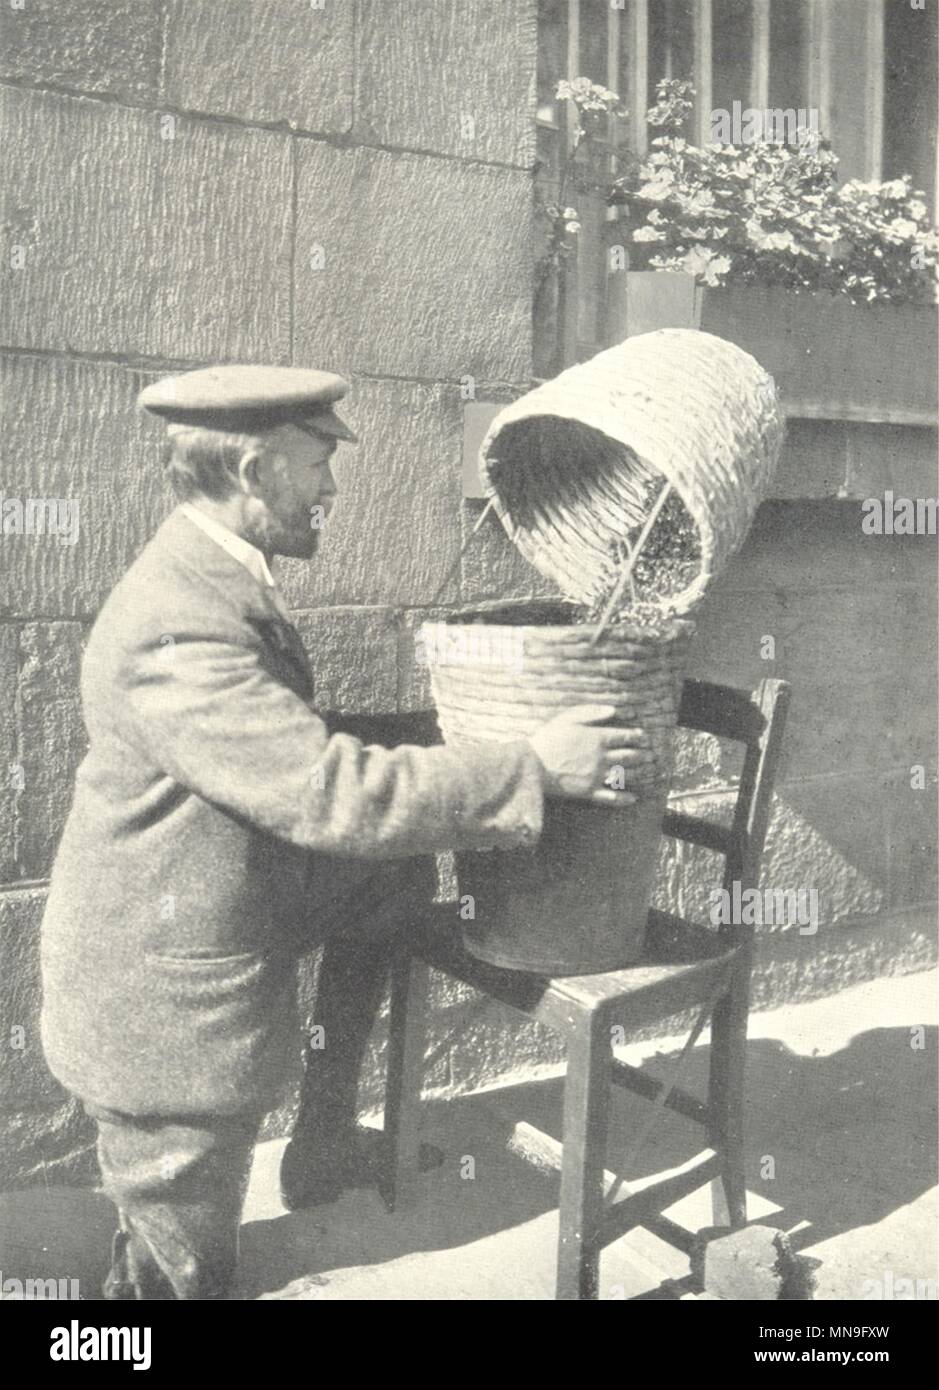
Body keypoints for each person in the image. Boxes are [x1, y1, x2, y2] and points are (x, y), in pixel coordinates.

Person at [39, 364, 653, 1299]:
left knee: (390, 890)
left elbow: (279, 751)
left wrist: (443, 743)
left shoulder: (211, 569)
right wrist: (532, 766)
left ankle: (321, 1146)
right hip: (161, 998)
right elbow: (329, 795)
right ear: (253, 470)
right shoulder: (182, 626)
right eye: (318, 464)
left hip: (221, 882)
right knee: (181, 1252)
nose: (331, 489)